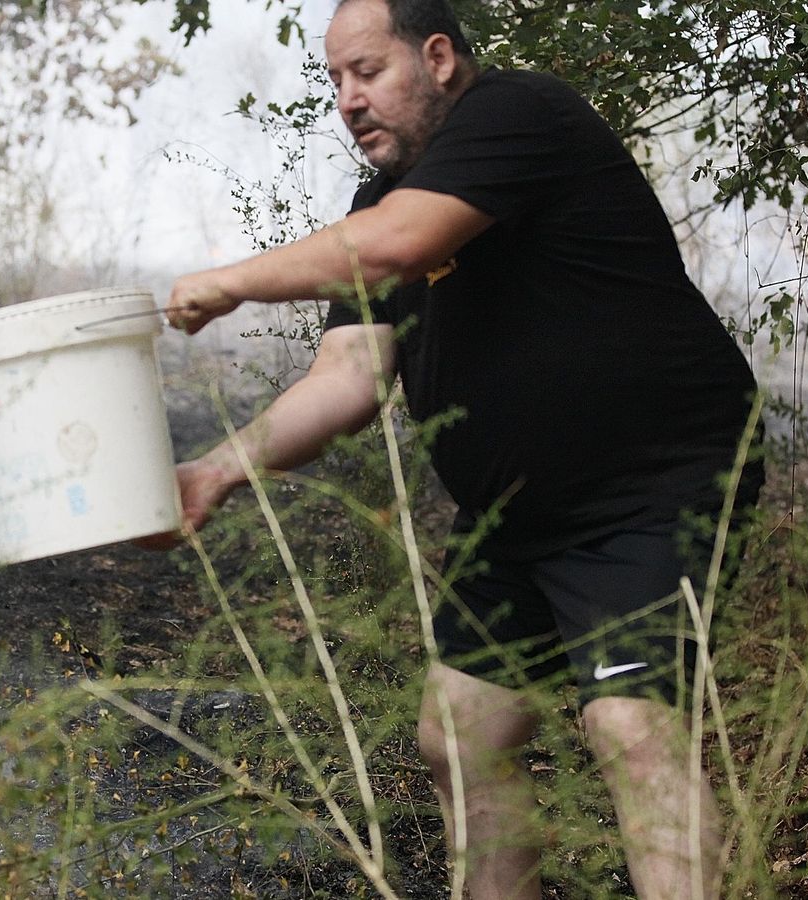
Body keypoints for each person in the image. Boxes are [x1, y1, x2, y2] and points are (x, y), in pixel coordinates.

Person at [157, 0, 763, 896]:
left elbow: (399, 246)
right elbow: (347, 382)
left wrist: (231, 281)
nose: (348, 99)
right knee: (461, 734)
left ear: (437, 57)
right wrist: (217, 468)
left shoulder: (519, 115)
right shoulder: (376, 207)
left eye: (367, 71)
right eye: (334, 81)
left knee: (633, 729)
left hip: (655, 486)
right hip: (515, 517)